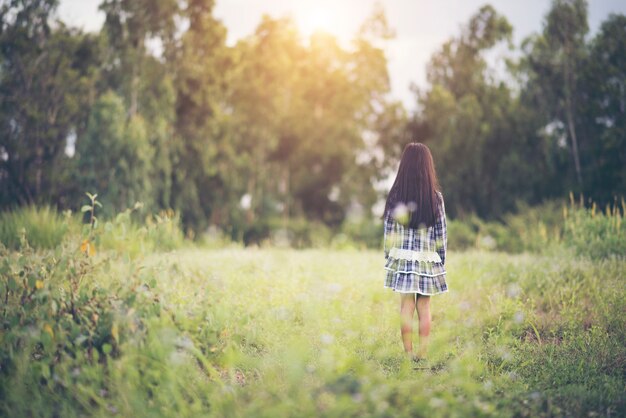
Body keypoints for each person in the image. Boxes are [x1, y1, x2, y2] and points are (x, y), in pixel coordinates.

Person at [381, 142, 448, 367]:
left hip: (404, 259)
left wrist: (389, 258)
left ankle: (408, 355)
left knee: (406, 306)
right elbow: (442, 232)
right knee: (425, 307)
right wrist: (441, 260)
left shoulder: (395, 196)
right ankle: (423, 353)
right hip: (428, 259)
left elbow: (389, 230)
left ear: (404, 167)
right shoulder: (436, 198)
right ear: (428, 167)